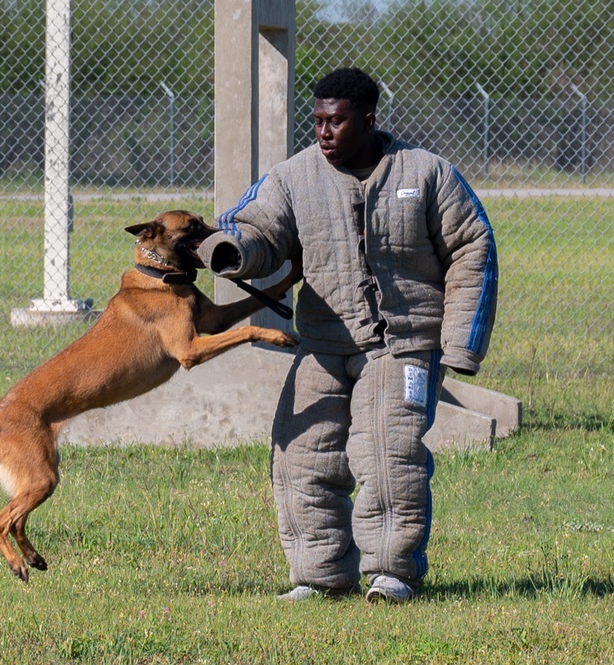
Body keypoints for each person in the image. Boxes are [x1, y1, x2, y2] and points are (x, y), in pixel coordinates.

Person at [198, 67, 498, 602]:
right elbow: (257, 227)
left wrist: (460, 342)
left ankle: (392, 573)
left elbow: (473, 245)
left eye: (335, 122)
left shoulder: (427, 172)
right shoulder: (293, 177)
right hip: (322, 344)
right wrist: (233, 249)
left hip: (404, 345)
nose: (323, 132)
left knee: (388, 453)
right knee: (301, 457)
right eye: (317, 121)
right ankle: (321, 576)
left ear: (368, 119)